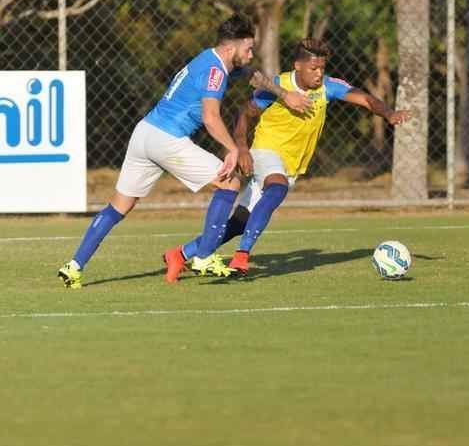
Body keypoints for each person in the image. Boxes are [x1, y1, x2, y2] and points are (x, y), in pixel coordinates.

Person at [57, 14, 311, 289]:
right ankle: (204, 256)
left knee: (120, 205)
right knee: (231, 182)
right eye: (248, 49)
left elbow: (253, 76)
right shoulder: (214, 71)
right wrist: (233, 148)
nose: (251, 55)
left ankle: (74, 265)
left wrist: (283, 94)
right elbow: (211, 117)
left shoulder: (211, 59)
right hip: (168, 138)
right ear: (230, 48)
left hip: (145, 133)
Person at [167, 38, 412, 278]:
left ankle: (179, 254)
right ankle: (242, 255)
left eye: (322, 69)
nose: (318, 74)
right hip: (265, 151)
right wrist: (241, 147)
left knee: (239, 223)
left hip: (291, 165)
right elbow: (245, 113)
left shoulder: (327, 87)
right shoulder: (277, 87)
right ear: (298, 65)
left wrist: (389, 114)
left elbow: (365, 99)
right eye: (313, 69)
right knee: (277, 187)